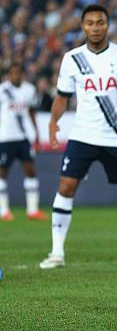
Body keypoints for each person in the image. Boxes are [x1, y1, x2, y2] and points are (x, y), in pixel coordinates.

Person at [39, 4, 117, 269]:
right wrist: (53, 123)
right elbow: (62, 97)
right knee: (66, 187)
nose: (95, 27)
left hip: (115, 137)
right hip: (82, 135)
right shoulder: (72, 58)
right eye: (90, 23)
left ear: (107, 25)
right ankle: (57, 252)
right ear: (83, 26)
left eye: (100, 22)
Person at [0, 63, 47, 221]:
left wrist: (37, 134)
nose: (16, 76)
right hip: (5, 137)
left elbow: (32, 112)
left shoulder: (29, 90)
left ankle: (32, 210)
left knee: (30, 171)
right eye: (12, 73)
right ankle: (3, 211)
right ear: (9, 75)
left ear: (22, 74)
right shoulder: (2, 90)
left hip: (24, 138)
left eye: (18, 73)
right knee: (2, 173)